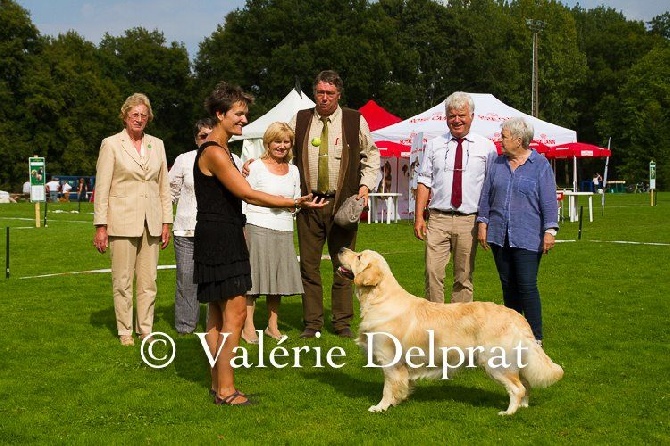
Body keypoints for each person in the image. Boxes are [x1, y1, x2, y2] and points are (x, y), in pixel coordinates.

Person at [194, 81, 327, 405]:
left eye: (245, 114)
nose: (243, 120)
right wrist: (294, 202)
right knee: (236, 313)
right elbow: (247, 193)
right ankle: (226, 389)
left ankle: (218, 385)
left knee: (216, 313)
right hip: (222, 236)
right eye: (238, 115)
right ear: (219, 114)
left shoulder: (221, 149)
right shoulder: (214, 151)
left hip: (215, 233)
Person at [290, 70, 380, 339]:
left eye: (330, 93)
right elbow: (280, 147)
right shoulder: (301, 119)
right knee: (309, 266)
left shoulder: (354, 120)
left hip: (343, 205)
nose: (324, 98)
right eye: (320, 92)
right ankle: (312, 323)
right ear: (314, 93)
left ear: (339, 94)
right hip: (309, 204)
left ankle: (342, 323)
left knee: (344, 267)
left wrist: (365, 187)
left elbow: (371, 154)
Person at [93, 92, 173, 346]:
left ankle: (145, 329)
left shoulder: (157, 144)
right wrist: (101, 226)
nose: (139, 119)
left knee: (149, 281)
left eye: (143, 115)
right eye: (134, 115)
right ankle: (125, 330)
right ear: (125, 116)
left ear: (149, 118)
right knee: (123, 281)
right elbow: (102, 188)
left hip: (152, 221)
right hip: (122, 222)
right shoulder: (111, 144)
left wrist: (166, 223)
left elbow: (163, 186)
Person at [476, 117, 558, 346]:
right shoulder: (497, 164)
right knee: (507, 285)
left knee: (527, 285)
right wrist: (482, 222)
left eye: (503, 136)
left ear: (518, 140)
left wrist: (550, 230)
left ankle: (535, 338)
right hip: (499, 235)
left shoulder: (540, 166)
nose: (499, 140)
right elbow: (486, 196)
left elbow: (549, 201)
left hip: (528, 236)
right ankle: (512, 335)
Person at [413, 91, 497, 304]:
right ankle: (435, 325)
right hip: (438, 218)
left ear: (472, 117)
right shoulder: (434, 145)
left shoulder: (486, 147)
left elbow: (491, 187)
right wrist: (419, 217)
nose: (456, 120)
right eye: (452, 116)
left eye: (461, 115)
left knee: (464, 277)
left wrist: (485, 222)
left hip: (469, 220)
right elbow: (423, 181)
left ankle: (459, 327)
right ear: (446, 118)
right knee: (432, 274)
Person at [241, 122, 303, 344]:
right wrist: (243, 228)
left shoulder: (294, 170)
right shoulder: (255, 166)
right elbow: (245, 198)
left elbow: (295, 201)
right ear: (268, 142)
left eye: (286, 142)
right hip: (257, 228)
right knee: (254, 281)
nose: (282, 146)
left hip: (284, 229)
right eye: (278, 141)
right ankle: (248, 327)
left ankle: (272, 326)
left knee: (277, 281)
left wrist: (293, 206)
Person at [169, 118, 216, 335]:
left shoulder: (230, 158)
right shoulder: (183, 160)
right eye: (202, 136)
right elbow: (169, 194)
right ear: (195, 139)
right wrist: (163, 222)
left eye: (210, 135)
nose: (206, 140)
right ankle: (185, 327)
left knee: (215, 280)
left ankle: (214, 326)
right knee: (186, 280)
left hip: (217, 231)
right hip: (186, 230)